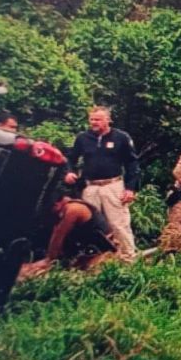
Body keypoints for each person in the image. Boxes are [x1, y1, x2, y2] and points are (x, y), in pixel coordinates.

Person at [63, 106, 140, 262]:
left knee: (118, 223)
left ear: (108, 120)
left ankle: (128, 258)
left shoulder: (121, 137)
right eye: (92, 119)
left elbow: (132, 163)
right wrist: (69, 172)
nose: (94, 122)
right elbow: (70, 158)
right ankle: (93, 259)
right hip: (90, 187)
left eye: (98, 119)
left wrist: (131, 188)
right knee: (89, 225)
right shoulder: (82, 138)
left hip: (113, 185)